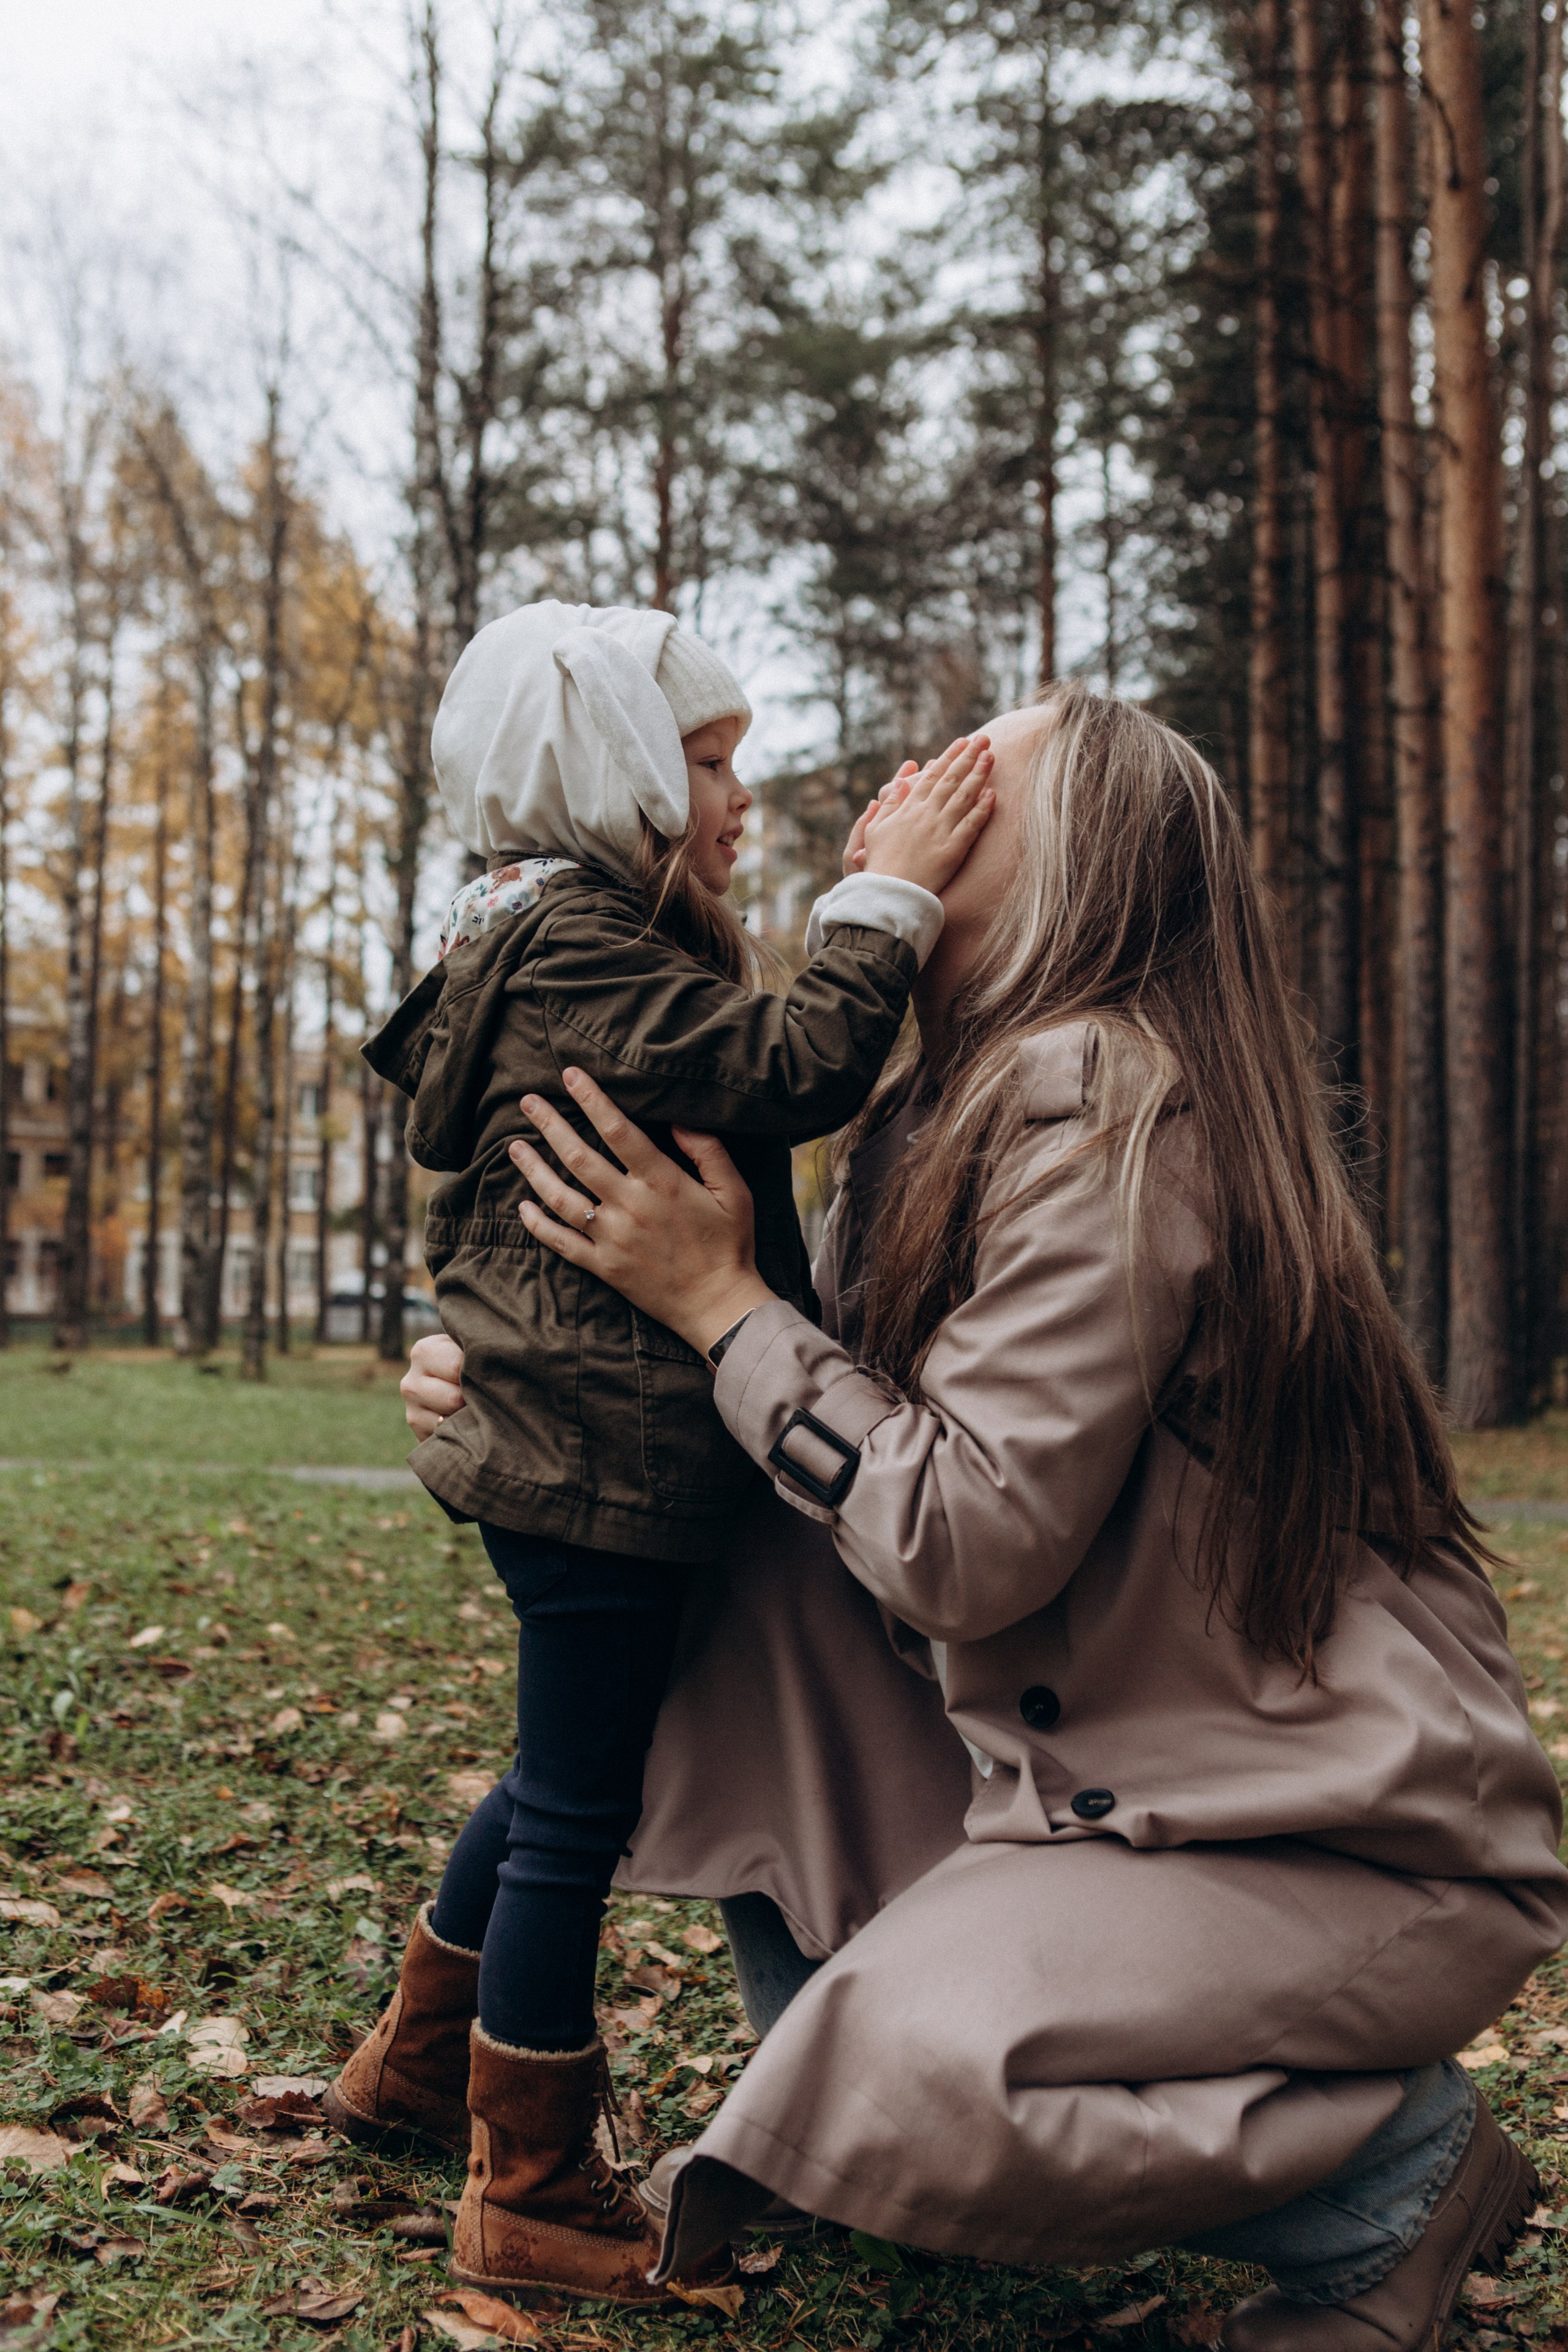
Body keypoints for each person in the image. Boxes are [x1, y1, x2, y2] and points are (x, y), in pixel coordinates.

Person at [409, 680, 1568, 2351]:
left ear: (1073, 871)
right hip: (1081, 1774)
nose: (904, 792)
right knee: (714, 1625)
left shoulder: (1110, 1103)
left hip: (1317, 1832)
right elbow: (779, 1421)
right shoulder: (927, 1110)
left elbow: (958, 1536)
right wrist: (515, 1373)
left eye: (971, 781)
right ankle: (951, 2050)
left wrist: (724, 1304)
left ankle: (1404, 2174)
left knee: (899, 2077)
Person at [323, 597, 995, 2310]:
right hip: (608, 1463)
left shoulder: (534, 938)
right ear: (610, 775)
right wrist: (887, 905)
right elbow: (798, 1065)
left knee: (563, 1775)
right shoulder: (577, 949)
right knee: (578, 1813)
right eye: (707, 766)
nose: (738, 800)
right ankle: (532, 2186)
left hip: (580, 1445)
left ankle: (414, 2067)